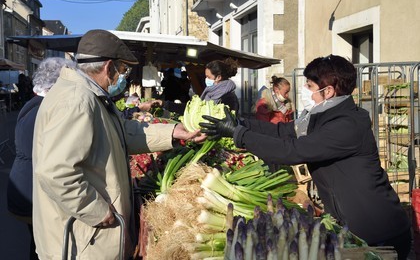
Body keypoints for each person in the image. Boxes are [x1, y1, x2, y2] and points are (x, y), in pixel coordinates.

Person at [200, 54, 412, 259]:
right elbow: (282, 131)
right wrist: (240, 123)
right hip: (354, 227)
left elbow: (292, 150)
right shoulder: (321, 117)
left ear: (328, 91)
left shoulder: (346, 125)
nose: (305, 92)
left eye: (310, 86)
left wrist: (239, 135)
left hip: (379, 232)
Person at [32, 29, 205, 259]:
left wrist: (173, 132)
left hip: (86, 238)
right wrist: (96, 211)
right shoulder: (77, 100)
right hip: (83, 242)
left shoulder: (88, 95)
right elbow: (55, 171)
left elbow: (121, 131)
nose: (121, 77)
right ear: (108, 67)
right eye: (122, 70)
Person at [7, 57, 76, 260]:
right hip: (32, 193)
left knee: (37, 242)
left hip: (23, 187)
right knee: (46, 247)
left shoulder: (33, 104)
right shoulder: (47, 110)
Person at [150, 57, 240, 115]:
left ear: (218, 77)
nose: (206, 79)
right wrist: (164, 104)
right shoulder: (209, 93)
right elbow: (193, 109)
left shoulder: (229, 98)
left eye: (208, 77)